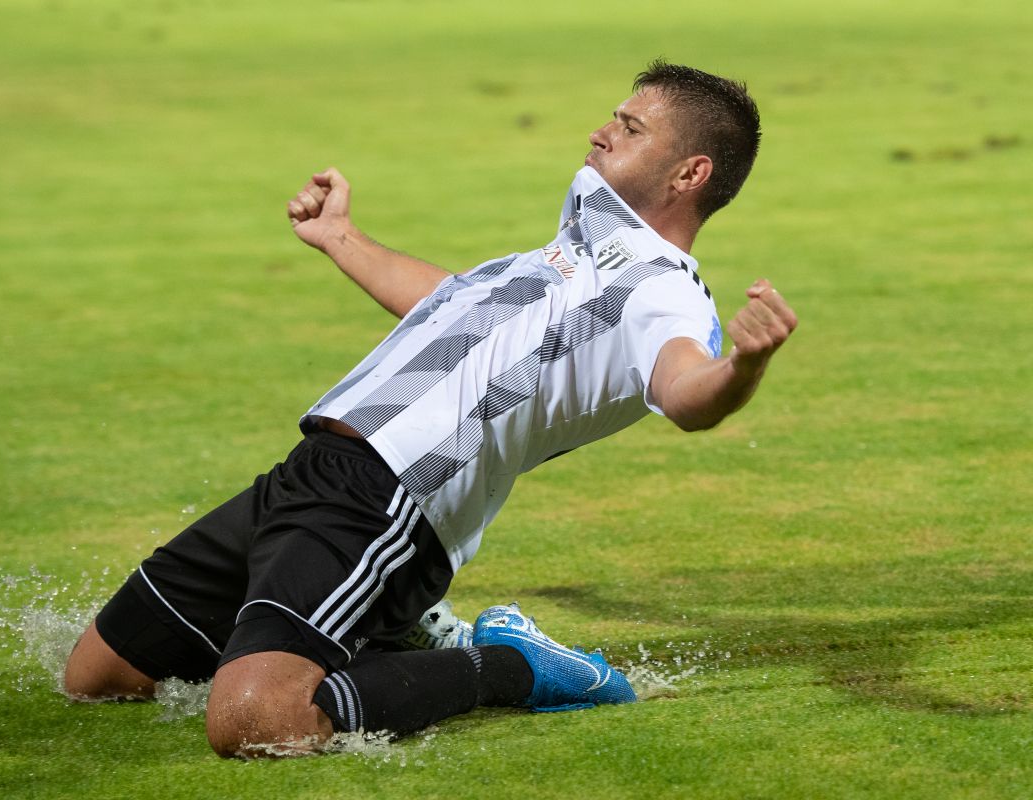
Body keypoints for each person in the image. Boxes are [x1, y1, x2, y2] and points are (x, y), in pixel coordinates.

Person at [63, 60, 797, 758]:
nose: (601, 132)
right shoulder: (572, 254)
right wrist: (340, 237)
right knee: (100, 679)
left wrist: (743, 365)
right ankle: (379, 631)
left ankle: (511, 667)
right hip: (312, 470)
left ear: (690, 173)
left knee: (256, 724)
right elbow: (447, 306)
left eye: (631, 128)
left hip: (391, 502)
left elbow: (685, 392)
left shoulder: (663, 290)